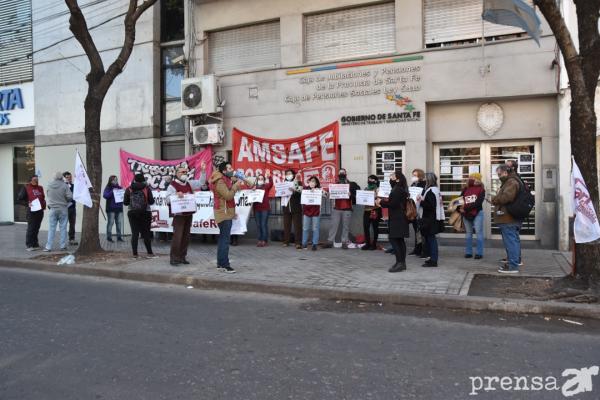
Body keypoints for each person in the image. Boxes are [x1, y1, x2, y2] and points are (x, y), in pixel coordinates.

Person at [166, 164, 207, 266]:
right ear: (177, 174)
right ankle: (174, 258)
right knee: (177, 237)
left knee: (186, 237)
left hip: (188, 214)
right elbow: (167, 199)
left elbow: (201, 183)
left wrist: (203, 171)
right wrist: (176, 195)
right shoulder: (172, 185)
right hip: (179, 215)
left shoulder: (189, 183)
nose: (184, 173)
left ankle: (182, 257)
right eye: (182, 172)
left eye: (185, 172)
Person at [210, 161, 243, 273]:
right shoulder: (220, 182)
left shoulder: (225, 180)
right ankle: (225, 264)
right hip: (223, 214)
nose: (232, 170)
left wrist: (235, 185)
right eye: (229, 168)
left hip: (225, 212)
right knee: (225, 240)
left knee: (223, 240)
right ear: (224, 171)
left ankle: (220, 263)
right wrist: (234, 186)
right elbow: (228, 196)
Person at [377, 170, 410, 272]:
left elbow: (393, 204)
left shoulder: (397, 190)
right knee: (399, 240)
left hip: (397, 219)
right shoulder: (400, 188)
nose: (390, 178)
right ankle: (401, 263)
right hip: (399, 218)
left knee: (394, 240)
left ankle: (400, 263)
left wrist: (381, 202)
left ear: (398, 179)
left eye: (392, 176)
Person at [492, 165, 522, 274]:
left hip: (509, 218)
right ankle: (515, 261)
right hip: (510, 217)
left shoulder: (511, 182)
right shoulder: (512, 181)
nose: (499, 176)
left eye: (499, 174)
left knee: (511, 242)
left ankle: (513, 266)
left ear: (505, 172)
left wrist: (494, 199)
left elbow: (506, 197)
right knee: (513, 240)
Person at [323, 168, 360, 249]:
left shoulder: (351, 184)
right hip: (336, 208)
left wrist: (351, 194)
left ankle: (344, 242)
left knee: (346, 226)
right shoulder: (334, 184)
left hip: (347, 208)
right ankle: (330, 241)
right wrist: (327, 194)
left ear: (346, 174)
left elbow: (357, 195)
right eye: (340, 173)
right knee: (333, 225)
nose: (342, 174)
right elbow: (328, 195)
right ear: (338, 174)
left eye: (343, 173)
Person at [124, 173, 157, 259]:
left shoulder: (129, 189)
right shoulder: (146, 188)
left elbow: (125, 203)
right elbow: (151, 202)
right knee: (146, 233)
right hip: (145, 212)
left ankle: (135, 254)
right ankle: (150, 253)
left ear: (134, 180)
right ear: (143, 180)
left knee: (135, 233)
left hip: (132, 213)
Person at [417, 173, 444, 267]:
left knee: (432, 239)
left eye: (425, 178)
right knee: (430, 239)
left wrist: (421, 201)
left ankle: (433, 260)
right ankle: (431, 258)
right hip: (432, 218)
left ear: (428, 180)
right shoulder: (435, 189)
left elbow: (431, 206)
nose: (423, 180)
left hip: (430, 219)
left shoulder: (431, 191)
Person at [43, 171, 73, 252]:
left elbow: (48, 196)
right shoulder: (65, 186)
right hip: (63, 209)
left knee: (51, 228)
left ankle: (48, 247)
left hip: (52, 209)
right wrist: (65, 199)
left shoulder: (49, 185)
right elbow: (70, 197)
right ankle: (62, 246)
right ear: (61, 177)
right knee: (63, 228)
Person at [17, 175, 46, 251]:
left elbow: (43, 197)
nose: (36, 181)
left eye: (37, 179)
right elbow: (19, 199)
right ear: (30, 181)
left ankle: (35, 244)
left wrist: (44, 205)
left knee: (37, 228)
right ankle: (29, 245)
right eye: (34, 180)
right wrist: (27, 204)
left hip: (40, 211)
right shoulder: (26, 188)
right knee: (31, 228)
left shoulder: (40, 188)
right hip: (31, 211)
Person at [461, 172, 485, 260]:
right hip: (466, 214)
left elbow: (478, 203)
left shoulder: (481, 189)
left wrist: (466, 208)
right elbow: (460, 200)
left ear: (478, 179)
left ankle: (479, 253)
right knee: (468, 234)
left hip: (477, 213)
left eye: (473, 178)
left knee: (479, 233)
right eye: (470, 178)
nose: (471, 179)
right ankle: (468, 252)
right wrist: (460, 208)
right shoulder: (465, 189)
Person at [301, 176, 327, 251]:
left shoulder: (319, 190)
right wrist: (297, 180)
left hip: (316, 212)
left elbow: (326, 195)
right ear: (308, 182)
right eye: (311, 181)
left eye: (314, 181)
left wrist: (320, 191)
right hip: (306, 212)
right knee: (305, 228)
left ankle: (314, 244)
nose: (312, 183)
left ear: (316, 183)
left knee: (315, 228)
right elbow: (297, 189)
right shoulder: (305, 189)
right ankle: (304, 243)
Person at [281, 169, 303, 249]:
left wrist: (294, 190)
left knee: (297, 226)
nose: (288, 175)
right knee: (286, 226)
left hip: (296, 208)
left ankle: (298, 242)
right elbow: (280, 193)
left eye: (290, 174)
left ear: (293, 174)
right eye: (287, 174)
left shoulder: (298, 182)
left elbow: (300, 193)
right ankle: (286, 241)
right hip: (286, 207)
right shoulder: (283, 184)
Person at [408, 169, 427, 256]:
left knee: (421, 231)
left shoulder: (425, 184)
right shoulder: (413, 184)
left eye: (415, 175)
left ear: (420, 176)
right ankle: (417, 248)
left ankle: (424, 249)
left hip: (421, 209)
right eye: (413, 175)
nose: (413, 177)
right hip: (414, 209)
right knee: (416, 230)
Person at [362, 175, 382, 250]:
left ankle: (374, 244)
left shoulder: (378, 189)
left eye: (371, 179)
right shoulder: (366, 189)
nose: (369, 180)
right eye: (368, 179)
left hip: (375, 210)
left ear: (375, 181)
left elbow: (380, 199)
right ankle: (367, 243)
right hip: (366, 210)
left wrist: (376, 197)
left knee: (375, 227)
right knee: (366, 227)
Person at [253, 171, 273, 247]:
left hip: (265, 208)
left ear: (264, 180)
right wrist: (252, 190)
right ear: (257, 180)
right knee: (258, 225)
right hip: (256, 208)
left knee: (263, 224)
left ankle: (264, 240)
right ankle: (259, 240)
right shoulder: (254, 187)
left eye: (262, 179)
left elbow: (271, 184)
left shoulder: (266, 186)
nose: (260, 180)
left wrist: (269, 177)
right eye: (259, 179)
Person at [102, 175, 124, 243]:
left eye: (116, 179)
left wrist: (123, 191)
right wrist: (112, 191)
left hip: (119, 208)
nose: (115, 181)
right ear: (110, 181)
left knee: (119, 223)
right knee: (110, 223)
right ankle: (109, 237)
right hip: (111, 209)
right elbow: (105, 196)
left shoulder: (120, 188)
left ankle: (119, 237)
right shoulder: (108, 187)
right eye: (114, 180)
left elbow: (123, 197)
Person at [62, 172, 78, 245]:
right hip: (64, 208)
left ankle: (72, 239)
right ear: (64, 178)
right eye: (67, 177)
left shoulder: (73, 186)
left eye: (70, 177)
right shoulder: (62, 186)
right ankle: (63, 241)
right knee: (64, 224)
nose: (69, 179)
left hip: (72, 207)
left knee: (72, 224)